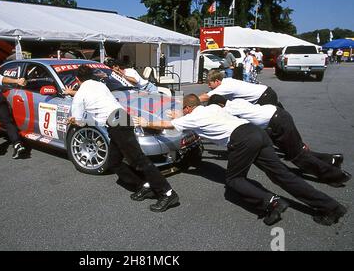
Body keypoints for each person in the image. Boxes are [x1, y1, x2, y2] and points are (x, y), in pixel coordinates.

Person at [134, 94, 347, 226]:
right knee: (282, 175)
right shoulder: (213, 108)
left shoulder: (191, 116)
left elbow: (168, 125)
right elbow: (183, 120)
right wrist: (177, 117)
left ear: (188, 108)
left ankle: (272, 203)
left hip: (242, 141)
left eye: (183, 109)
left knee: (234, 180)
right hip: (256, 133)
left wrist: (147, 121)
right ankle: (330, 207)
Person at [66, 65, 179, 212]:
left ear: (77, 79)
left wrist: (71, 120)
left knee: (138, 160)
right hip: (120, 118)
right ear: (91, 75)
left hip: (116, 123)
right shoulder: (100, 85)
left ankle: (168, 193)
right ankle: (144, 185)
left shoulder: (80, 94)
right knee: (114, 162)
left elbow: (80, 121)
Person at [207, 95, 351, 187]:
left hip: (276, 122)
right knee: (293, 151)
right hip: (278, 115)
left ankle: (335, 175)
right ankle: (332, 159)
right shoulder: (236, 101)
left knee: (297, 156)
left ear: (219, 105)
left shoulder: (229, 110)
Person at [199, 70, 283, 107]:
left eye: (210, 84)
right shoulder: (227, 81)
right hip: (266, 93)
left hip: (265, 97)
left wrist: (187, 102)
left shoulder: (225, 87)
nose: (209, 86)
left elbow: (205, 97)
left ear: (217, 81)